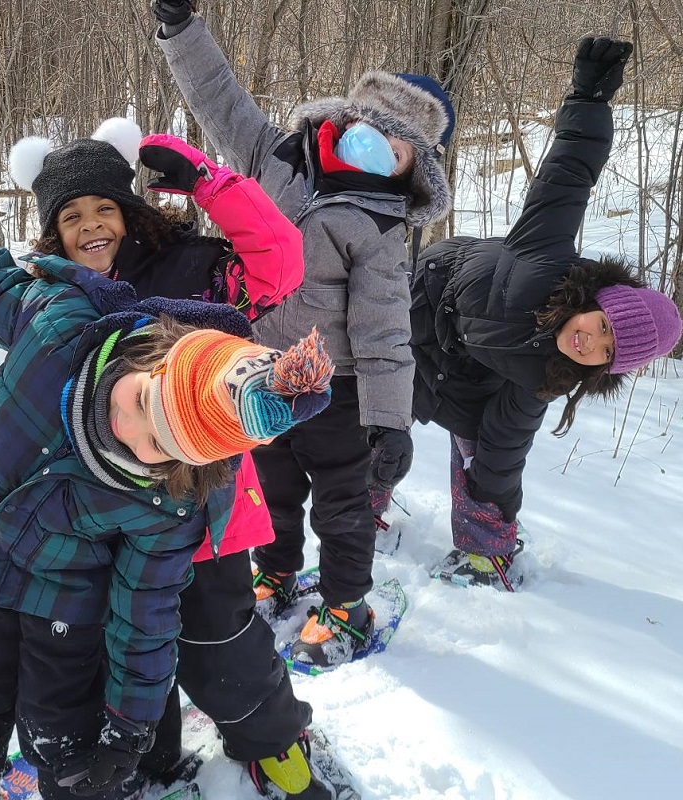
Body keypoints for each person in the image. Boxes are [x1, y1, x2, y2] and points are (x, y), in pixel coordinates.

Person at [0, 124, 335, 800]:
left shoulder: (192, 272)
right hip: (30, 555)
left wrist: (206, 178)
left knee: (214, 654)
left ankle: (263, 745)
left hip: (180, 518)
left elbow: (276, 260)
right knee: (23, 682)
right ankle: (131, 763)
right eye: (73, 216)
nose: (138, 433)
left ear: (132, 212)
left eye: (105, 209)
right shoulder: (58, 312)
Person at [151, 0, 456, 667]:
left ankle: (346, 603)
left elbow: (384, 331)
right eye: (370, 131)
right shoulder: (277, 159)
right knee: (271, 491)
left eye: (396, 146)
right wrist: (181, 29)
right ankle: (277, 572)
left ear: (410, 166)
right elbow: (218, 100)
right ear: (345, 122)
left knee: (343, 507)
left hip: (336, 391)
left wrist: (391, 420)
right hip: (258, 372)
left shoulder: (378, 226)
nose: (375, 148)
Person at [408, 37, 681, 589]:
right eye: (601, 326)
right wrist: (589, 97)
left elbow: (508, 442)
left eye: (607, 354)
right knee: (381, 415)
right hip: (426, 295)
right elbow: (568, 176)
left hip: (472, 360)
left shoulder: (551, 377)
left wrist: (496, 502)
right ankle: (365, 504)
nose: (590, 343)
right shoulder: (545, 255)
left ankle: (485, 546)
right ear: (594, 302)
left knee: (485, 449)